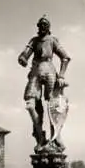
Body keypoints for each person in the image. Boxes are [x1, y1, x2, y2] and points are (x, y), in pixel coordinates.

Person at [18, 14, 71, 150]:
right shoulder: (34, 41)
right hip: (35, 71)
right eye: (40, 25)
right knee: (31, 105)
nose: (42, 27)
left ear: (48, 28)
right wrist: (23, 58)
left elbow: (65, 57)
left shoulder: (52, 40)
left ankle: (56, 136)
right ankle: (40, 137)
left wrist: (61, 76)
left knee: (53, 105)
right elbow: (25, 54)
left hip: (49, 70)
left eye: (44, 25)